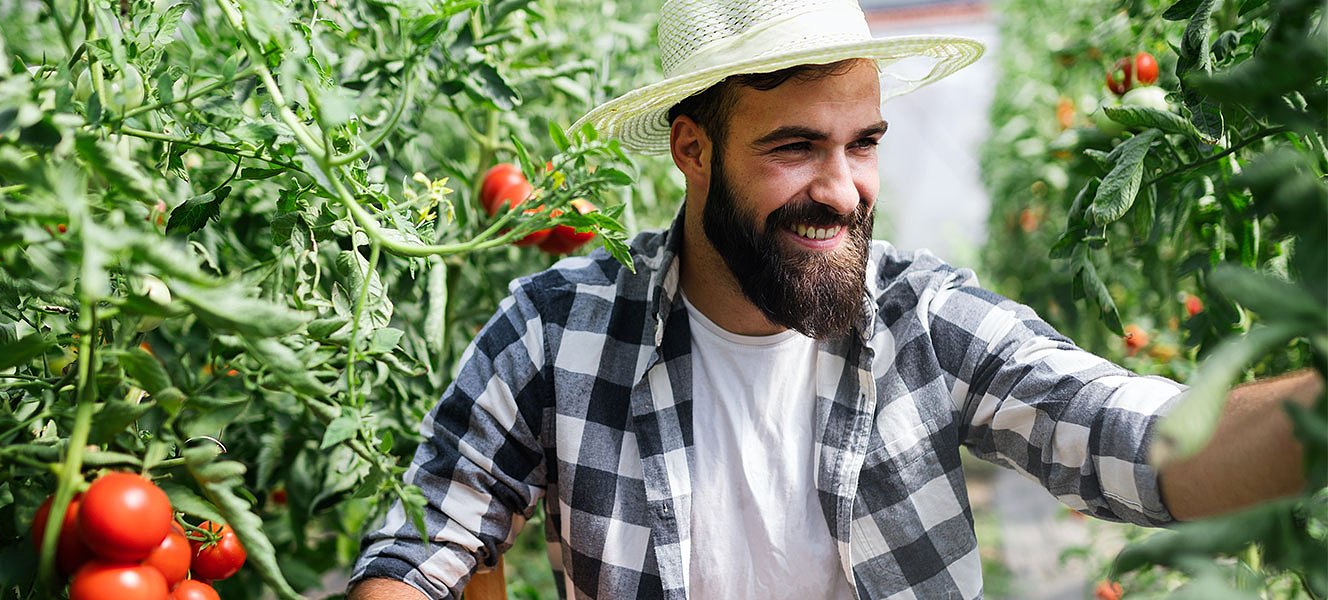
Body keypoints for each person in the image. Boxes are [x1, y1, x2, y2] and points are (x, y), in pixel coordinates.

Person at [349, 1, 1323, 598]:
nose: (843, 188)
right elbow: (425, 537)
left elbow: (1140, 441)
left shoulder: (921, 320)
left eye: (861, 143)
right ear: (692, 149)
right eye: (793, 147)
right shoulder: (559, 331)